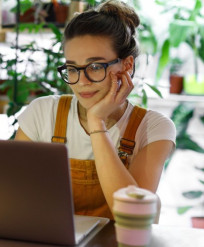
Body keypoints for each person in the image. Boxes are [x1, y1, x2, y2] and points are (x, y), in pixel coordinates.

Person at [15, 0, 176, 220]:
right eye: (72, 68)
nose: (81, 81)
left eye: (95, 67)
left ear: (127, 65)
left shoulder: (153, 128)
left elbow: (134, 215)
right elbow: (13, 195)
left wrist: (97, 123)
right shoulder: (43, 112)